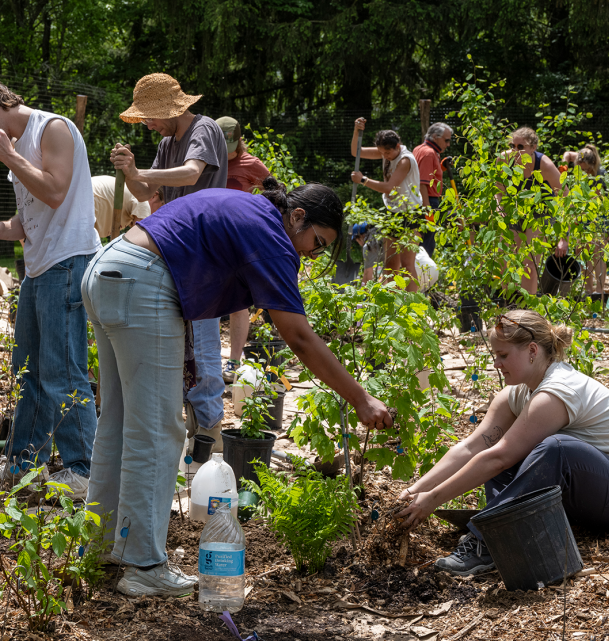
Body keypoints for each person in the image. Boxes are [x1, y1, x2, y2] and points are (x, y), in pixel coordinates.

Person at [83, 179, 393, 596]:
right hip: (140, 281)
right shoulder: (269, 233)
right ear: (298, 217)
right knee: (158, 430)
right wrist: (360, 396)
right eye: (316, 242)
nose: (311, 253)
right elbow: (298, 337)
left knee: (120, 422)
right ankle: (142, 563)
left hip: (110, 267)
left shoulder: (251, 211)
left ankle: (102, 547)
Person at [395, 310, 609, 576]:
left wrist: (432, 501)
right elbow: (472, 447)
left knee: (556, 449)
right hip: (594, 493)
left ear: (532, 350)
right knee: (515, 454)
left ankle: (488, 540)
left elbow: (499, 457)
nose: (496, 364)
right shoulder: (517, 393)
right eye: (494, 355)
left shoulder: (556, 391)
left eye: (503, 356)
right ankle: (507, 536)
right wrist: (416, 491)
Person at [0, 77, 102, 495]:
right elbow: (32, 216)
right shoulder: (17, 146)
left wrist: (7, 155)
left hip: (69, 261)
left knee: (63, 367)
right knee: (30, 368)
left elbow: (56, 191)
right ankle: (25, 463)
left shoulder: (52, 128)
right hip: (38, 268)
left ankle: (83, 469)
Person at [109, 72, 229, 450]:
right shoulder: (165, 143)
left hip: (206, 249)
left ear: (169, 109)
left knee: (205, 340)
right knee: (180, 338)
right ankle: (190, 427)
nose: (147, 124)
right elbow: (146, 190)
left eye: (150, 116)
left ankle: (210, 428)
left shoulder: (204, 129)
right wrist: (131, 172)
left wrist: (140, 171)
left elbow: (192, 174)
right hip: (178, 248)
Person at [216, 116, 272, 383]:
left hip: (238, 238)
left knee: (238, 303)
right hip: (206, 237)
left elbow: (276, 194)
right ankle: (203, 360)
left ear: (239, 141)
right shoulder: (205, 159)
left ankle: (233, 362)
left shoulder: (251, 164)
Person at [349, 119, 423, 291]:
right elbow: (356, 152)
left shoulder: (405, 160)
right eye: (381, 152)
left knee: (406, 265)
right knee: (390, 265)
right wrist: (356, 130)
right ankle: (392, 303)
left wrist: (363, 180)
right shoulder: (385, 151)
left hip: (410, 213)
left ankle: (411, 303)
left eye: (387, 153)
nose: (385, 156)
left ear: (397, 146)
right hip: (393, 214)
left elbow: (389, 188)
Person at [500, 127, 562, 295]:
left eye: (521, 147)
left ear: (533, 147)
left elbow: (566, 199)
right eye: (512, 145)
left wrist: (565, 238)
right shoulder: (504, 160)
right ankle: (509, 307)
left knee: (529, 263)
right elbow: (497, 191)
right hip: (515, 208)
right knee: (505, 258)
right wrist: (499, 210)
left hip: (541, 211)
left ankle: (528, 311)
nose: (515, 151)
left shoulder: (545, 165)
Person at [561, 144, 608, 301]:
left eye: (586, 169)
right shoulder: (580, 165)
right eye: (580, 169)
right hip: (582, 217)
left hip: (599, 217)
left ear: (593, 165)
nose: (584, 172)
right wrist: (563, 167)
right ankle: (588, 291)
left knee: (597, 252)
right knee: (582, 251)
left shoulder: (600, 176)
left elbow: (595, 203)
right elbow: (567, 154)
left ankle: (599, 292)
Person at [412, 122, 453, 257]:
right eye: (446, 140)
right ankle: (422, 276)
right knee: (426, 247)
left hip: (417, 201)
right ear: (435, 137)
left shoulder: (420, 149)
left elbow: (427, 173)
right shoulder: (429, 153)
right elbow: (423, 183)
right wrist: (427, 209)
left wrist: (441, 167)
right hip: (427, 201)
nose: (448, 144)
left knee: (418, 243)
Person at [90, 175, 152, 240]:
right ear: (155, 196)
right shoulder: (143, 200)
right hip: (92, 199)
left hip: (86, 193)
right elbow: (138, 237)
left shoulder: (132, 192)